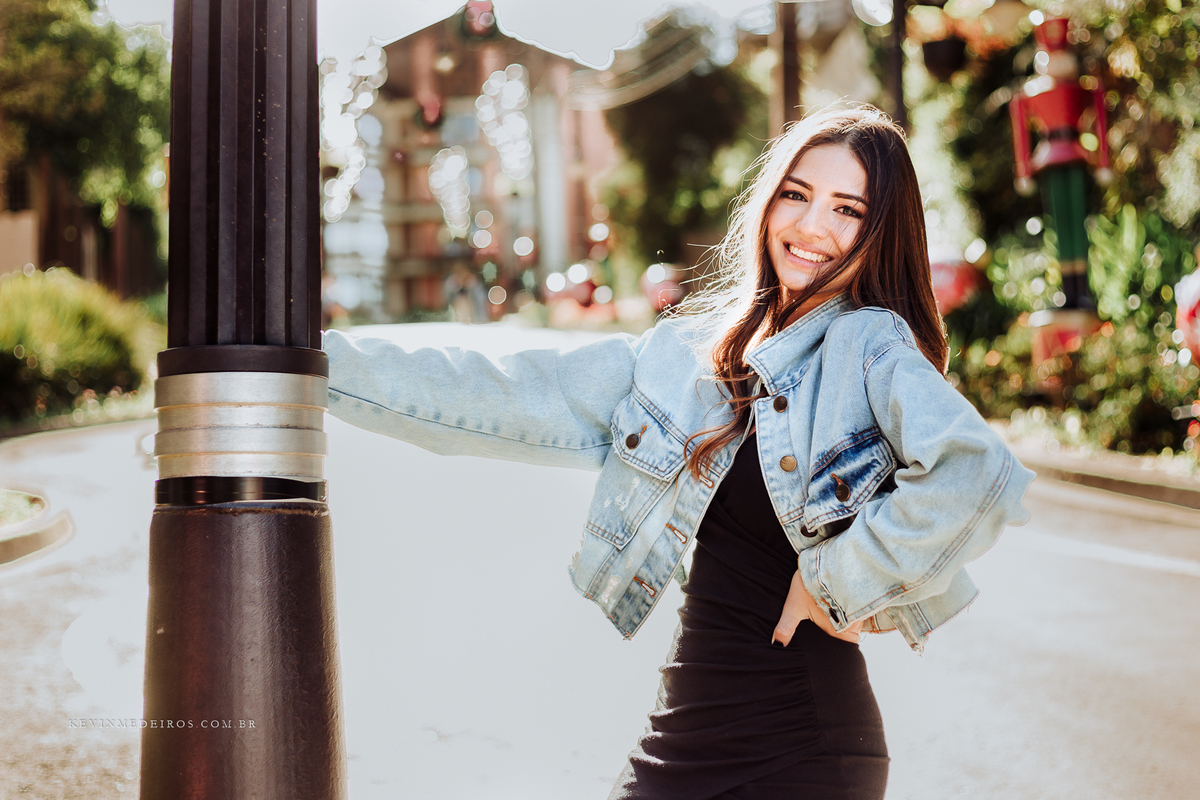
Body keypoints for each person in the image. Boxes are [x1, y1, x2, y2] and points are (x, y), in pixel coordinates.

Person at [322, 105, 1035, 800]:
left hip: (803, 750)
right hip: (686, 734)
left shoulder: (867, 343)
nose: (812, 225)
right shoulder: (690, 359)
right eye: (796, 194)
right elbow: (507, 392)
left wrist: (838, 581)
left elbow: (979, 475)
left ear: (881, 233)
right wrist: (310, 367)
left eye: (847, 209)